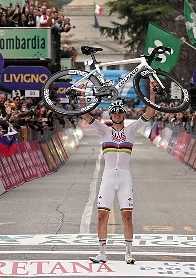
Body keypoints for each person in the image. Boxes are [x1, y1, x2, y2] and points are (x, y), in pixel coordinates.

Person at [81, 97, 157, 265]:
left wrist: (152, 90)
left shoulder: (131, 129)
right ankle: (102, 253)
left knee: (127, 217)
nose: (117, 114)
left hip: (124, 178)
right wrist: (82, 93)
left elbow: (150, 112)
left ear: (123, 113)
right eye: (114, 112)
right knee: (102, 216)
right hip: (107, 178)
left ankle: (128, 253)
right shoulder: (104, 130)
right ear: (111, 114)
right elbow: (85, 115)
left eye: (120, 111)